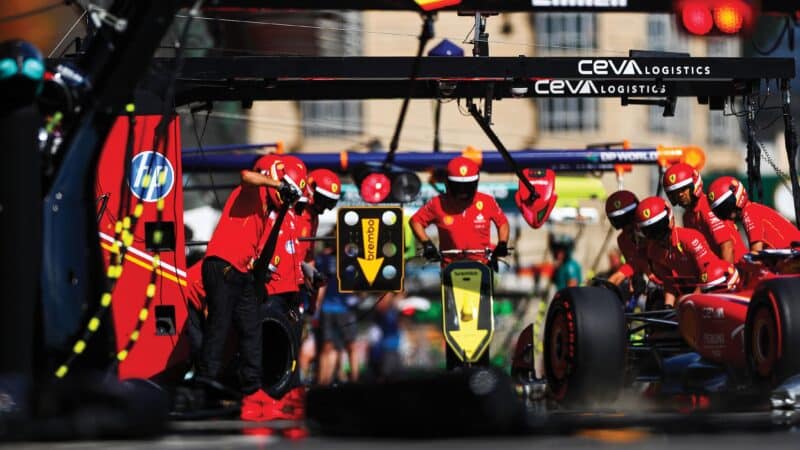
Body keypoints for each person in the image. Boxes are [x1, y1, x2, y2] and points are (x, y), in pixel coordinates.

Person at [197, 154, 300, 421]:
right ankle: (204, 388)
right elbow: (246, 175)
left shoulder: (268, 212)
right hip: (221, 267)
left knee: (252, 330)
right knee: (219, 327)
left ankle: (252, 390)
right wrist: (278, 185)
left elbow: (263, 254)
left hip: (242, 273)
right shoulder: (252, 192)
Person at [410, 156, 509, 265]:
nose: (463, 192)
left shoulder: (487, 201)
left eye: (467, 186)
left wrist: (502, 243)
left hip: (483, 264)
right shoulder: (437, 203)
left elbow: (502, 223)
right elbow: (416, 221)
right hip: (450, 266)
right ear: (448, 183)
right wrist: (427, 243)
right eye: (458, 186)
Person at [634, 196, 730, 307]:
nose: (657, 234)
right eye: (650, 231)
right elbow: (669, 283)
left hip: (712, 289)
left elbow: (709, 275)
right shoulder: (653, 250)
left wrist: (688, 301)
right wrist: (667, 306)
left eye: (659, 227)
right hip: (686, 295)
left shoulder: (691, 238)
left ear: (669, 219)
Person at [662, 163, 746, 263]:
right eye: (675, 192)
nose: (680, 195)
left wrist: (728, 276)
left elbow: (727, 247)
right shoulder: (687, 217)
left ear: (693, 185)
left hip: (735, 270)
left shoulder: (708, 207)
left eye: (683, 189)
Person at [707, 176, 800, 252]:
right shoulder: (753, 209)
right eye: (720, 210)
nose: (725, 212)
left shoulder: (750, 212)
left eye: (725, 206)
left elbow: (756, 255)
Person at [314, 241, 361, 386]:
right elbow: (322, 285)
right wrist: (316, 309)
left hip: (345, 309)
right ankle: (323, 382)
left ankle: (354, 380)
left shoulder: (355, 258)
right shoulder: (325, 258)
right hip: (328, 309)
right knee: (327, 347)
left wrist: (358, 297)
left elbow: (361, 283)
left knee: (351, 346)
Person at [604, 190, 651, 286]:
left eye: (629, 218)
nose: (628, 226)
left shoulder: (652, 232)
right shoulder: (623, 240)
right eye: (620, 222)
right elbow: (632, 265)